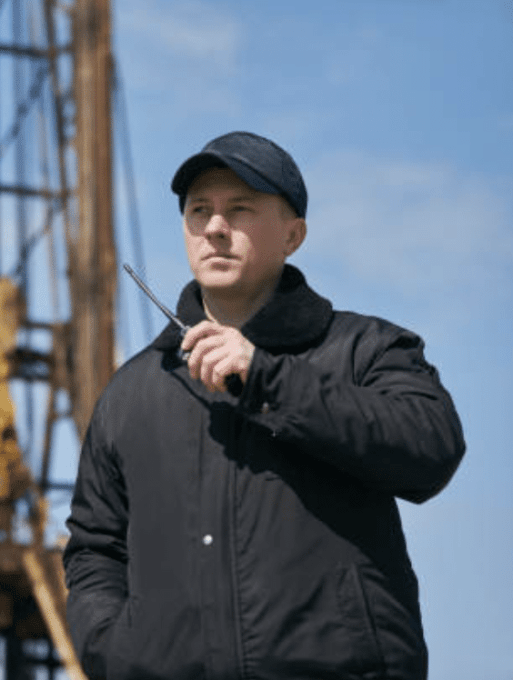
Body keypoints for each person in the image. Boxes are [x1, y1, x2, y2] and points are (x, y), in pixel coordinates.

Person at [62, 131, 465, 680]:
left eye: (240, 209)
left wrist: (268, 379)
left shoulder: (365, 351)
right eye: (199, 211)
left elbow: (431, 449)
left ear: (293, 235)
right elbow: (94, 549)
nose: (215, 228)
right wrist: (116, 652)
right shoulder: (132, 393)